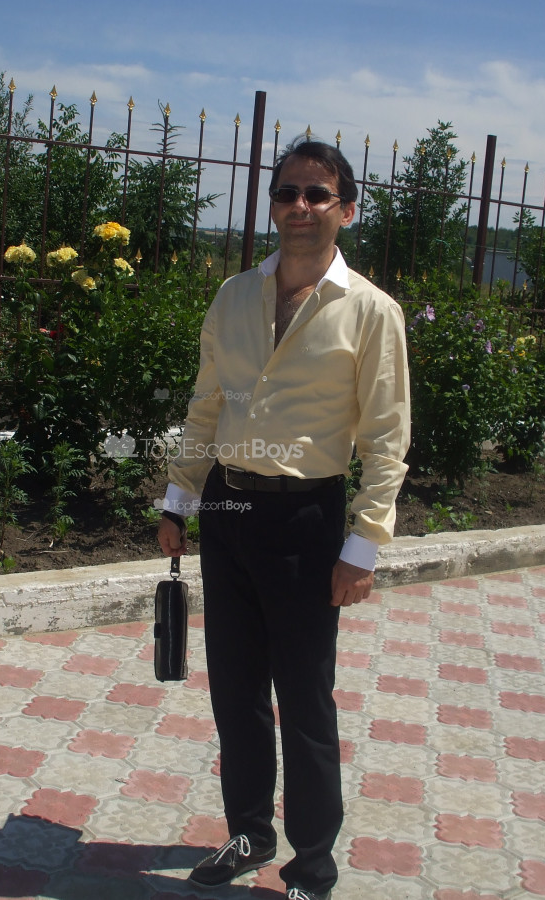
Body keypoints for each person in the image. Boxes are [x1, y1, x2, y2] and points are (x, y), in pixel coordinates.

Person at [157, 138, 411, 900]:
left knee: (303, 701)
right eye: (287, 193)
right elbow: (207, 404)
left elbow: (387, 436)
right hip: (229, 508)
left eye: (316, 194)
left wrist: (364, 545)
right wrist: (180, 500)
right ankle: (249, 833)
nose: (300, 206)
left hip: (306, 519)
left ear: (346, 211)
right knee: (235, 692)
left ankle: (313, 865)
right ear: (272, 206)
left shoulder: (371, 311)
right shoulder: (235, 296)